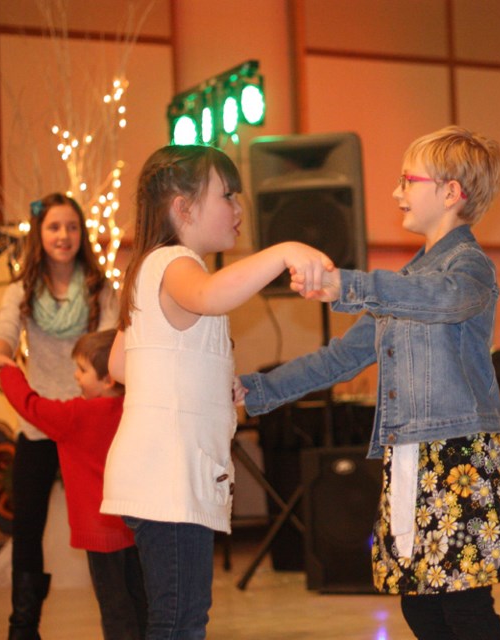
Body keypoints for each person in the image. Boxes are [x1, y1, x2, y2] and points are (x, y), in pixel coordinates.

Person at [239, 126, 500, 639]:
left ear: (451, 193)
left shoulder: (469, 267)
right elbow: (340, 358)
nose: (396, 192)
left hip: (457, 457)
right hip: (408, 454)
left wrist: (351, 284)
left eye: (408, 180)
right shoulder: (404, 283)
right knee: (422, 607)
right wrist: (256, 390)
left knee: (463, 605)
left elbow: (443, 300)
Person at [99, 144, 333, 639]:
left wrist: (199, 380)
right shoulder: (176, 263)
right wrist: (284, 251)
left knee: (177, 615)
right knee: (180, 621)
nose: (239, 207)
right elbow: (208, 296)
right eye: (227, 195)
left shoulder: (148, 268)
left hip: (162, 478)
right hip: (169, 479)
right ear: (183, 208)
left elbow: (121, 363)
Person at [0, 192, 119, 639]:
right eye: (54, 227)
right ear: (39, 235)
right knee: (26, 528)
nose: (63, 236)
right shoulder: (19, 290)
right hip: (40, 424)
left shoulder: (101, 288)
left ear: (81, 235)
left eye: (72, 227)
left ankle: (123, 620)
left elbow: (110, 351)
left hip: (93, 425)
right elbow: (3, 336)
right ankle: (22, 627)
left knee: (111, 524)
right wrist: (1, 357)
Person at [0, 329, 147, 640]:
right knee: (142, 604)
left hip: (100, 533)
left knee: (115, 609)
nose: (75, 376)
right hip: (140, 527)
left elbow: (30, 406)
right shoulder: (138, 410)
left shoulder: (76, 415)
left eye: (82, 369)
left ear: (109, 379)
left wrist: (7, 371)